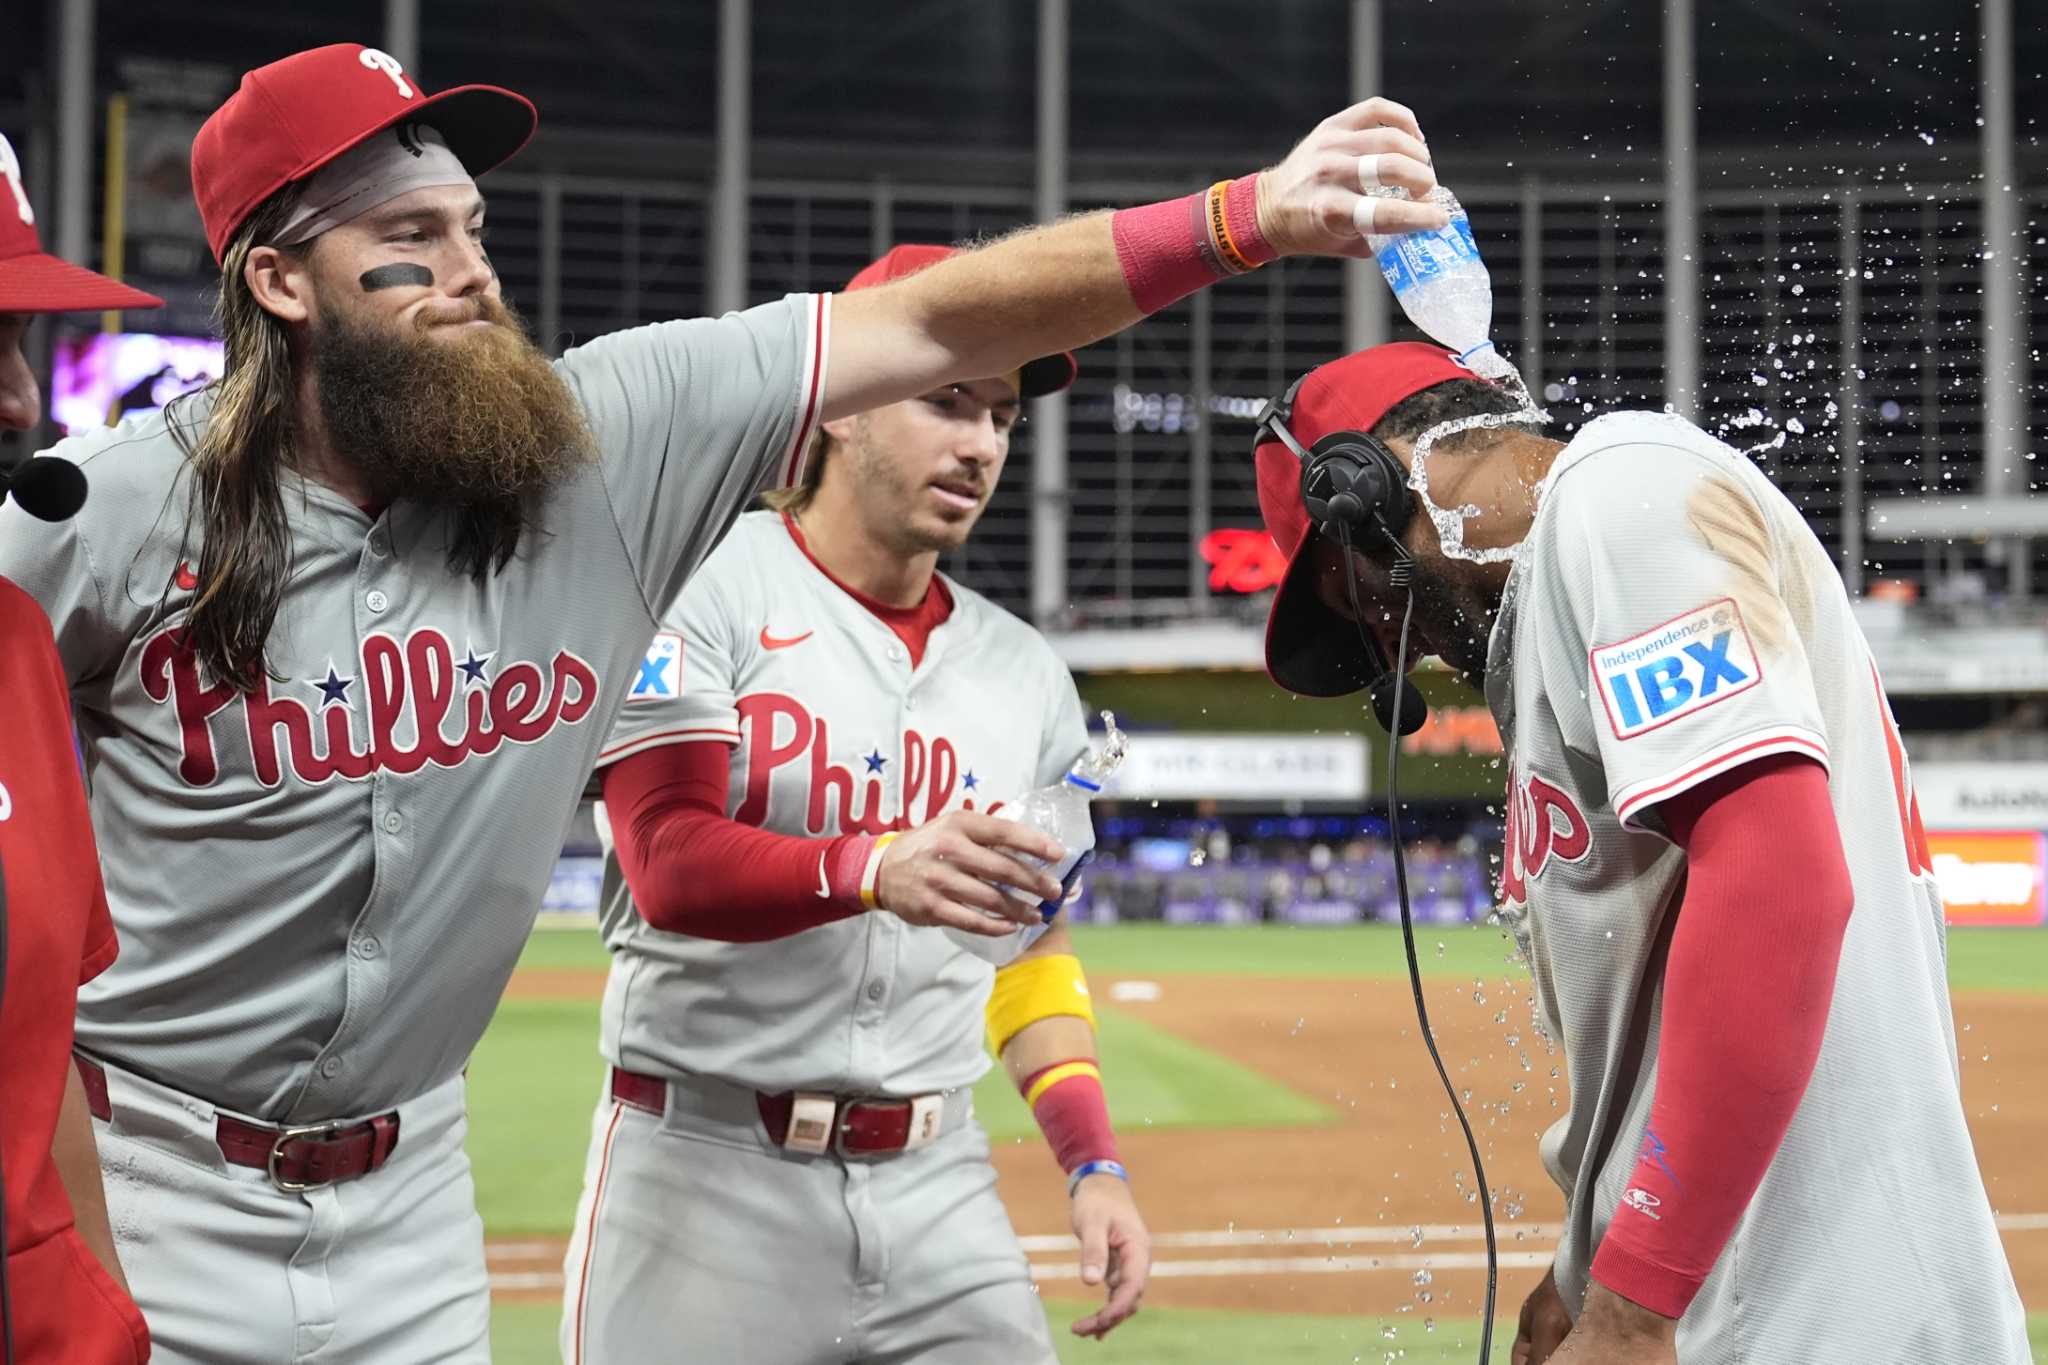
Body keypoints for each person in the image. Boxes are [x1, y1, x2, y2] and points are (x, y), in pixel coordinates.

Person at [0, 39, 1447, 1364]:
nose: (471, 272)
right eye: (410, 241)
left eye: (475, 233)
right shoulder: (111, 511)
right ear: (279, 281)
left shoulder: (606, 449)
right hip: (150, 1182)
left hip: (415, 1205)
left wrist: (1248, 215)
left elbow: (936, 320)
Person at [1249, 340, 2031, 1363]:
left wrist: (1633, 1300)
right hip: (1721, 1295)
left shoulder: (1621, 491)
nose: (1387, 636)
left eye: (1354, 596)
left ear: (1359, 487)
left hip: (1809, 1316)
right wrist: (1582, 1272)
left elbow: (1778, 890)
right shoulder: (1559, 599)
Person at [562, 243, 1148, 1365]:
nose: (980, 443)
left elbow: (1030, 943)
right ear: (838, 408)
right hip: (702, 1177)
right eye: (946, 401)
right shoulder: (699, 584)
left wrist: (1092, 1163)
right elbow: (665, 861)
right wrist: (873, 865)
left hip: (941, 1186)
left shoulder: (1026, 673)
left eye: (1002, 417)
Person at [0, 131, 160, 1363]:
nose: (18, 397)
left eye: (16, 342)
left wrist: (103, 1316)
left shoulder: (11, 635)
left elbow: (40, 1049)